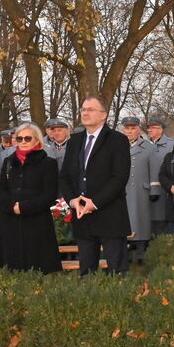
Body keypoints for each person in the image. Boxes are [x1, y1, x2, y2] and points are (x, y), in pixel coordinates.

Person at [59, 96, 131, 275]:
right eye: (83, 109)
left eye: (90, 109)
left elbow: (119, 177)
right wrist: (72, 201)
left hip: (110, 215)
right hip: (82, 216)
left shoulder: (118, 140)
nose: (85, 112)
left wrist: (95, 202)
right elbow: (65, 176)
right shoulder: (74, 141)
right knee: (86, 273)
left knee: (117, 273)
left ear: (103, 115)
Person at [0, 122, 61, 273]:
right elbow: (0, 190)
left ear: (37, 140)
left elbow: (50, 194)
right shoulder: (8, 161)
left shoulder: (48, 163)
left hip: (37, 222)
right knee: (10, 270)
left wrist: (24, 207)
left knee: (38, 269)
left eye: (27, 138)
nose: (23, 142)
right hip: (10, 220)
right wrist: (11, 206)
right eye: (19, 138)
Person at [121, 116, 157, 261]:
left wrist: (154, 189)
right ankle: (125, 253)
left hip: (141, 190)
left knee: (140, 222)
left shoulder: (148, 147)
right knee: (124, 222)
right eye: (127, 128)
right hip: (122, 190)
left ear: (139, 129)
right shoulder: (118, 145)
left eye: (133, 128)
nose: (129, 131)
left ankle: (140, 253)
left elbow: (154, 170)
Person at [147, 118, 173, 236]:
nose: (150, 130)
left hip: (164, 190)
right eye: (149, 128)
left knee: (161, 224)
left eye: (153, 127)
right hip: (146, 189)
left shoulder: (171, 145)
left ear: (161, 129)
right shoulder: (145, 144)